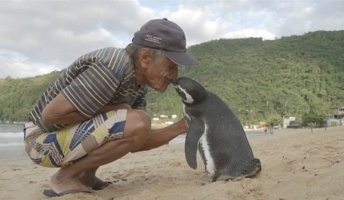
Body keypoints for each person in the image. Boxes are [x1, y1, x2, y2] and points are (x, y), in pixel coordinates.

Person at [24, 18, 197, 197]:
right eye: (171, 66)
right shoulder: (113, 65)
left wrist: (182, 126)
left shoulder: (138, 85)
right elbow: (51, 116)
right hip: (39, 141)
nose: (175, 75)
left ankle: (86, 176)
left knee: (136, 121)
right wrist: (116, 109)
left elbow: (137, 139)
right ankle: (64, 178)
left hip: (60, 137)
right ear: (145, 58)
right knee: (135, 119)